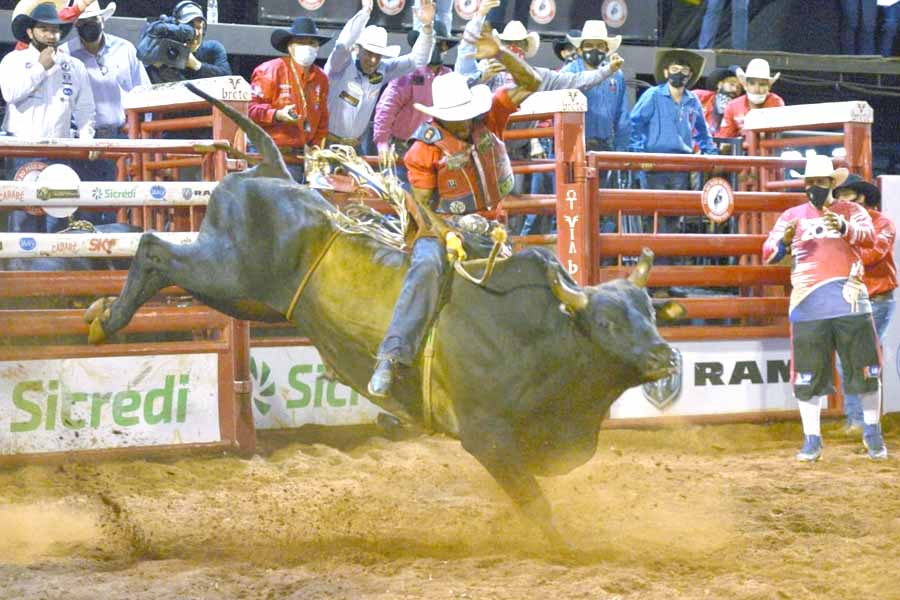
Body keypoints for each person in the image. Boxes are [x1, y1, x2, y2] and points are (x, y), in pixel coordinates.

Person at [367, 24, 541, 400]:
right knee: (426, 268)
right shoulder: (422, 150)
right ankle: (392, 357)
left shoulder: (489, 119)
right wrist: (448, 233)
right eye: (455, 115)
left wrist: (500, 53)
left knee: (530, 276)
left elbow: (532, 82)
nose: (464, 120)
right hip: (441, 227)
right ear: (440, 116)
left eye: (466, 112)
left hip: (490, 227)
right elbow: (423, 207)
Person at [762, 155, 886, 461]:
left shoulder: (854, 211)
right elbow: (767, 252)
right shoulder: (792, 216)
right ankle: (812, 439)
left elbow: (868, 237)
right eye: (809, 182)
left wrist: (842, 226)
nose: (814, 187)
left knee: (866, 373)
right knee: (807, 377)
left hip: (851, 303)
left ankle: (872, 434)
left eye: (820, 182)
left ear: (832, 183)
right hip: (809, 306)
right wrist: (783, 245)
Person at [1, 0, 95, 233]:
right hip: (22, 150)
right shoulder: (13, 61)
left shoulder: (74, 66)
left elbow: (85, 109)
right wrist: (40, 68)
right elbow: (10, 94)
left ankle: (58, 268)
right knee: (24, 220)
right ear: (30, 31)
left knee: (58, 220)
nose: (51, 34)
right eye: (45, 29)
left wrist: (87, 140)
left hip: (60, 152)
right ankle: (22, 269)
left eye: (55, 29)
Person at [62, 1, 150, 227]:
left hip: (120, 138)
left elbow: (143, 93)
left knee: (120, 202)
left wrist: (141, 136)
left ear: (103, 20)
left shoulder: (126, 49)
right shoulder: (66, 54)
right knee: (85, 206)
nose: (87, 26)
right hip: (82, 141)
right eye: (82, 23)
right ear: (75, 25)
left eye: (91, 21)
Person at [831, 174, 897, 434]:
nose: (840, 199)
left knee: (853, 360)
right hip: (857, 299)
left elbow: (873, 255)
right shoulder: (846, 226)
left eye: (846, 194)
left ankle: (860, 421)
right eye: (839, 195)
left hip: (875, 299)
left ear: (861, 197)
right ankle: (860, 421)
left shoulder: (882, 223)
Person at [324, 0, 434, 151]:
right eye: (369, 53)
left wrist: (427, 28)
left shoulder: (383, 70)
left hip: (356, 148)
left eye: (378, 55)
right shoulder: (340, 65)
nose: (373, 60)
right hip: (327, 144)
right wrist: (365, 13)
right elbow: (342, 45)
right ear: (357, 49)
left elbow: (418, 60)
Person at [373, 21, 458, 181]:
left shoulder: (448, 76)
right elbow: (387, 108)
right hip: (404, 147)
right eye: (433, 43)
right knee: (400, 193)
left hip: (434, 149)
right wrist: (382, 142)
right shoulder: (408, 73)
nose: (438, 48)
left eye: (441, 44)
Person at [249, 17, 331, 182]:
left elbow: (322, 119)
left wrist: (316, 150)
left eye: (312, 43)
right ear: (290, 46)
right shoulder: (269, 71)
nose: (307, 47)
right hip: (268, 154)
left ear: (317, 47)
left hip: (301, 157)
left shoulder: (321, 78)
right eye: (301, 42)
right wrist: (277, 114)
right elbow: (250, 111)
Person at [629, 49, 717, 194]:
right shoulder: (653, 95)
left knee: (677, 210)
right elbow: (635, 123)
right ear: (666, 72)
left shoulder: (692, 100)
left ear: (689, 75)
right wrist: (638, 154)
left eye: (684, 70)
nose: (679, 73)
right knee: (653, 208)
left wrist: (711, 154)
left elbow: (702, 131)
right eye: (674, 69)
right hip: (654, 162)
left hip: (681, 163)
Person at [560, 19, 630, 154]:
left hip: (606, 146)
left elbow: (622, 115)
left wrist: (621, 150)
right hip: (573, 145)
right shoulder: (569, 73)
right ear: (579, 50)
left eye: (600, 45)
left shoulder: (616, 75)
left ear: (607, 50)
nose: (594, 50)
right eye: (589, 45)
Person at [145, 0, 231, 83]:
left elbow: (228, 80)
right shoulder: (166, 50)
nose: (195, 34)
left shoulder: (213, 49)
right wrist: (155, 67)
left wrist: (195, 64)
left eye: (198, 27)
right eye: (189, 28)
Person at [718, 58, 784, 140]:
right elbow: (725, 138)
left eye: (762, 84)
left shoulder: (776, 102)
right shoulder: (732, 106)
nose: (756, 88)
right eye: (752, 83)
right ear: (745, 85)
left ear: (769, 87)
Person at [692, 66, 742, 138]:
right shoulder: (700, 96)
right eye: (732, 84)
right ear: (720, 84)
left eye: (738, 88)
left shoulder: (737, 109)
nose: (734, 89)